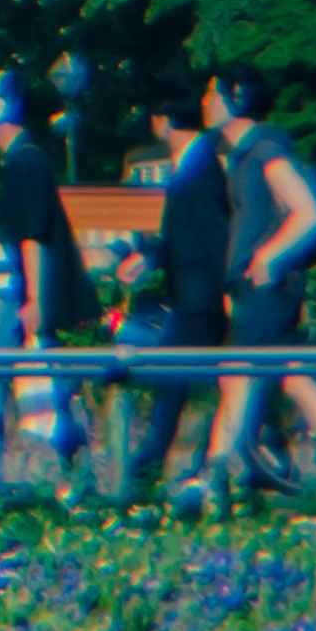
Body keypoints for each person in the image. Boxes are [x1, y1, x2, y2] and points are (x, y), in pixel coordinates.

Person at [201, 63, 316, 500]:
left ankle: (213, 478)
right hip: (258, 288)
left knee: (241, 377)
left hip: (266, 288)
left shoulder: (264, 150)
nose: (205, 103)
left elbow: (310, 213)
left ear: (235, 98)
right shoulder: (250, 153)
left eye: (213, 93)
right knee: (290, 375)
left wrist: (268, 257)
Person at [0, 67, 95, 496]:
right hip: (9, 293)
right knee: (46, 381)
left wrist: (35, 298)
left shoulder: (26, 163)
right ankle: (75, 469)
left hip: (19, 295)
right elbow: (8, 237)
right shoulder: (19, 161)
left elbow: (35, 235)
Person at [115, 89, 234, 500]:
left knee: (171, 372)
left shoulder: (201, 167)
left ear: (163, 121)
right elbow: (182, 232)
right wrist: (149, 258)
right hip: (195, 290)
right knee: (226, 379)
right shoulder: (195, 163)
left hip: (201, 293)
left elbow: (213, 231)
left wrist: (226, 286)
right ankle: (244, 457)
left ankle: (149, 463)